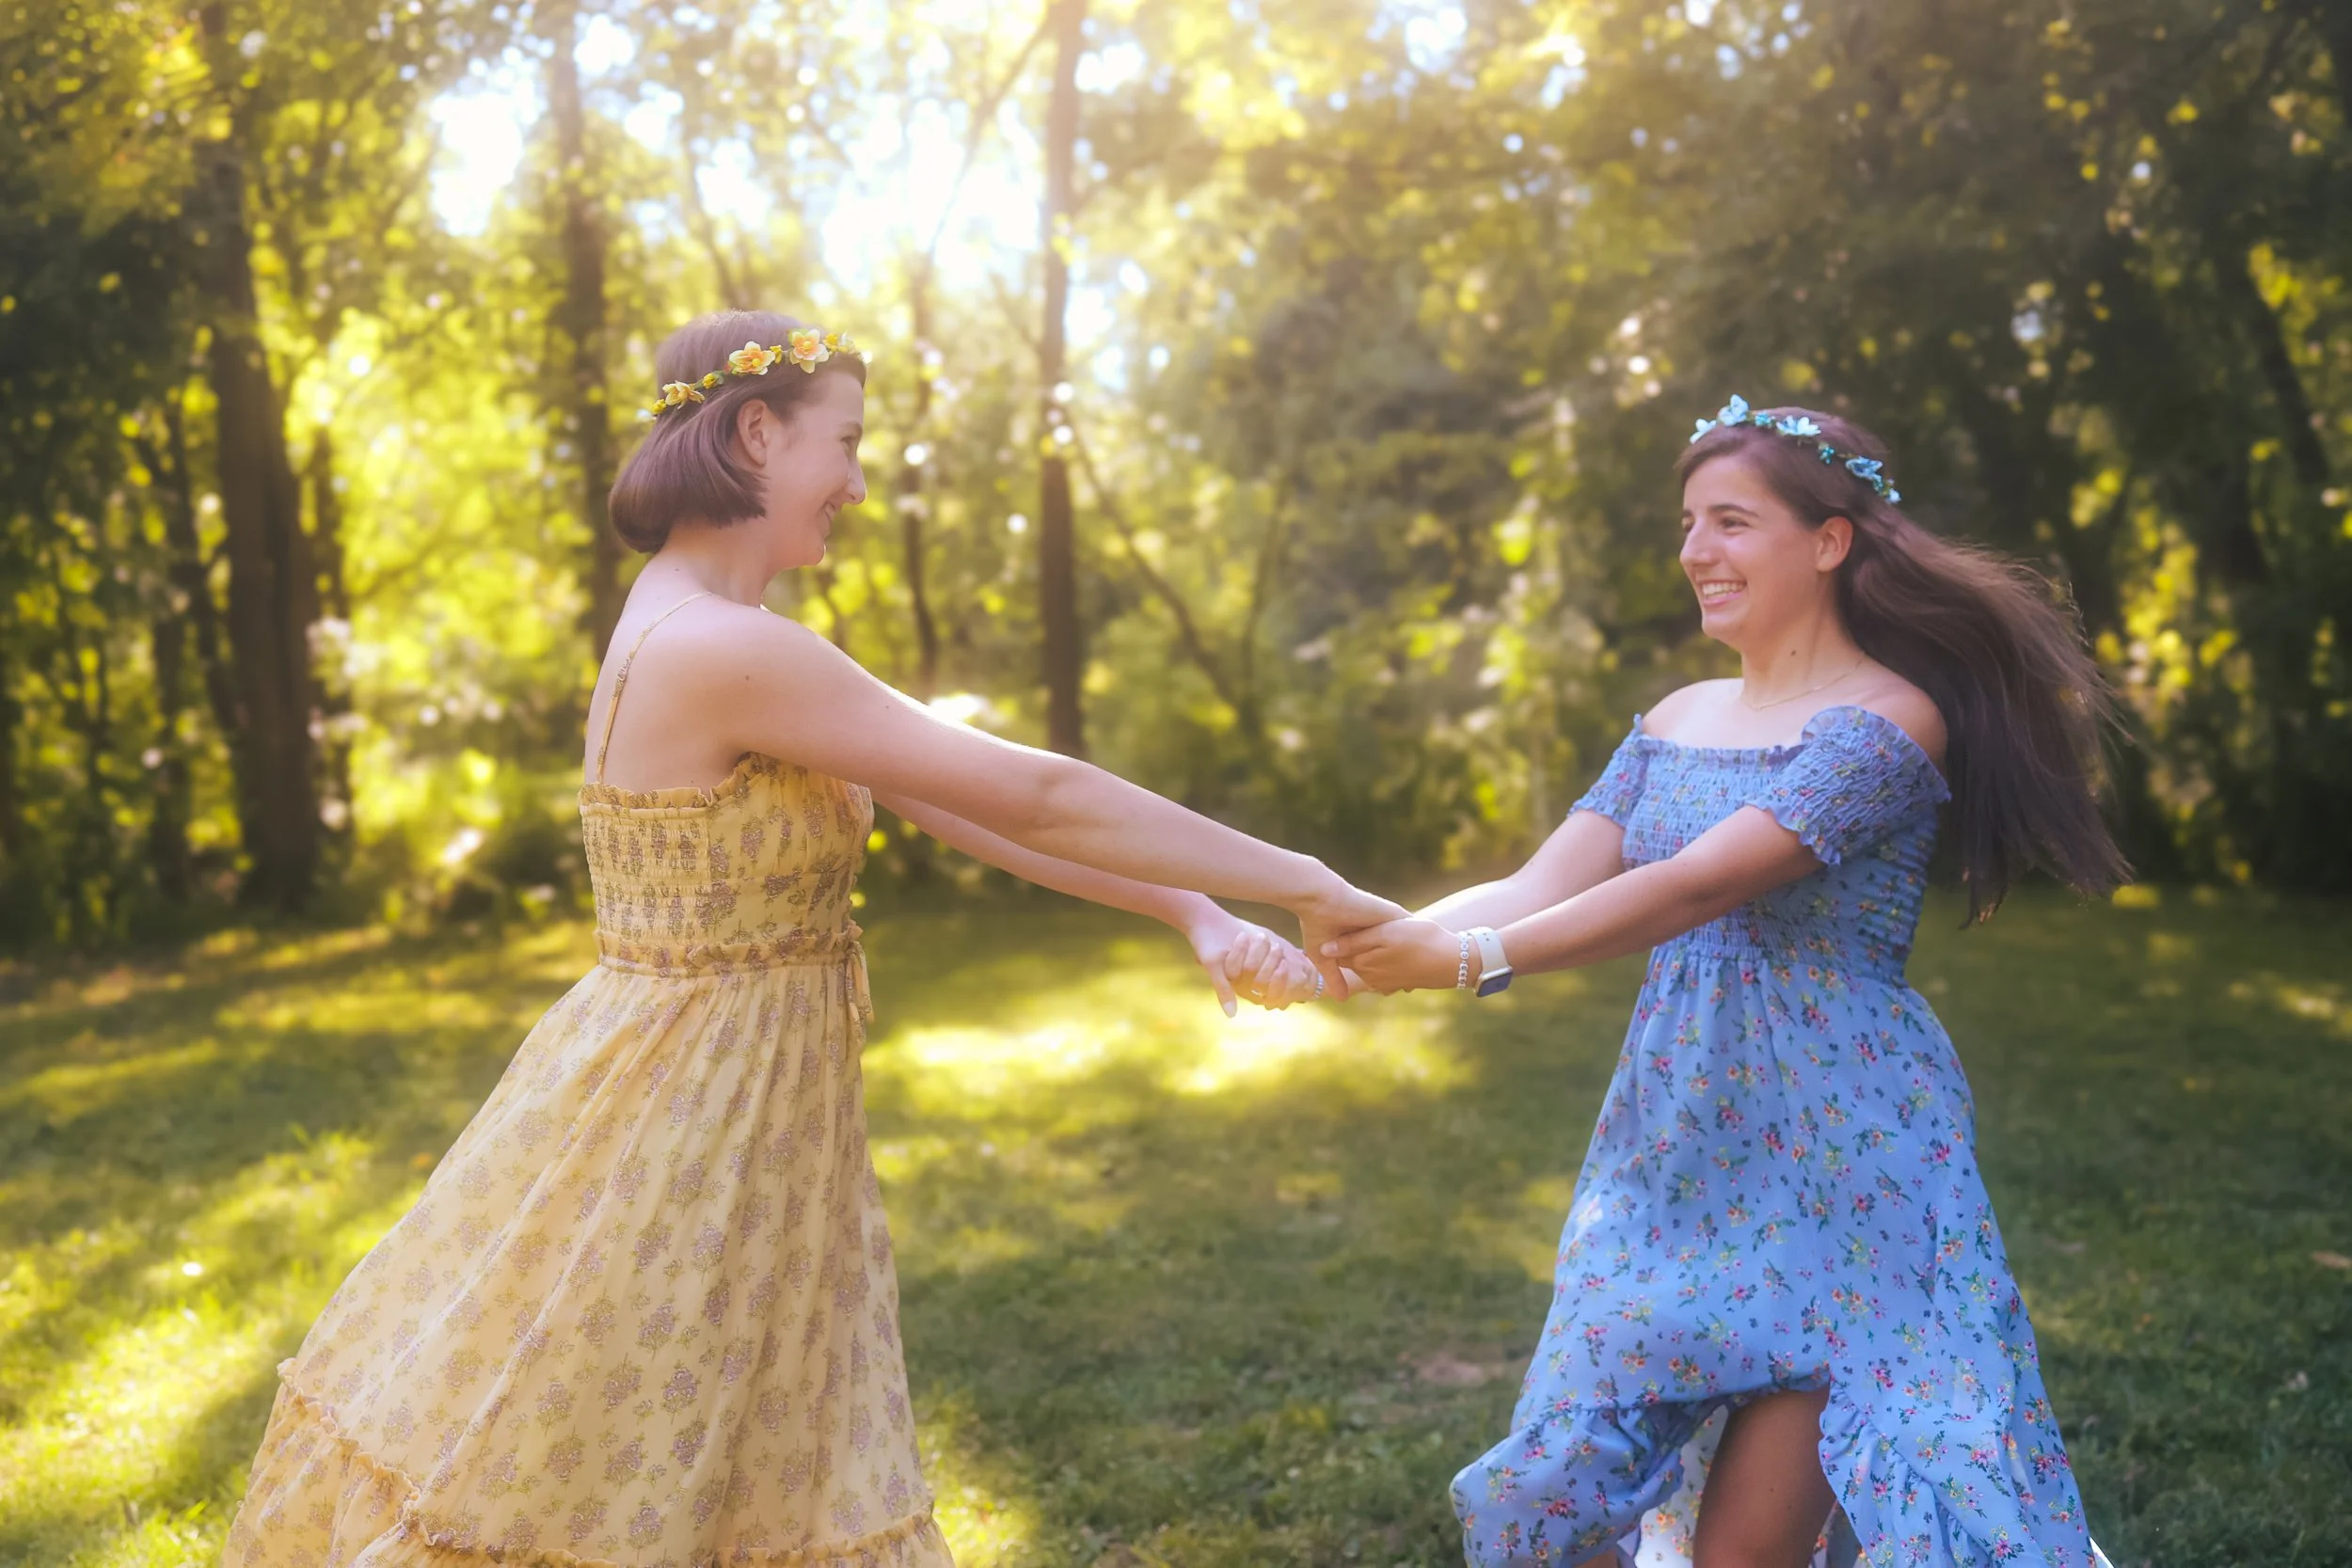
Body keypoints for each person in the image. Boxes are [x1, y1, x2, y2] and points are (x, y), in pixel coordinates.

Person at [220, 309, 1385, 1568]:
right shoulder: (723, 648)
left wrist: (1194, 906)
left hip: (728, 1111)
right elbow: (1040, 787)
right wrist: (1305, 878)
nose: (861, 481)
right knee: (611, 1475)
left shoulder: (705, 621)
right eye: (847, 441)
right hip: (686, 1132)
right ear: (758, 432)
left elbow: (966, 801)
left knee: (716, 1473)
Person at [1327, 397, 2126, 1568]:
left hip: (1843, 1160)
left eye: (1731, 520)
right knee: (1540, 1502)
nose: (1695, 550)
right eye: (1690, 522)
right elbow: (1539, 877)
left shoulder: (1891, 722)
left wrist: (1468, 961)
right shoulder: (1672, 719)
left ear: (1828, 540)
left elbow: (1700, 885)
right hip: (1677, 1140)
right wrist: (1351, 945)